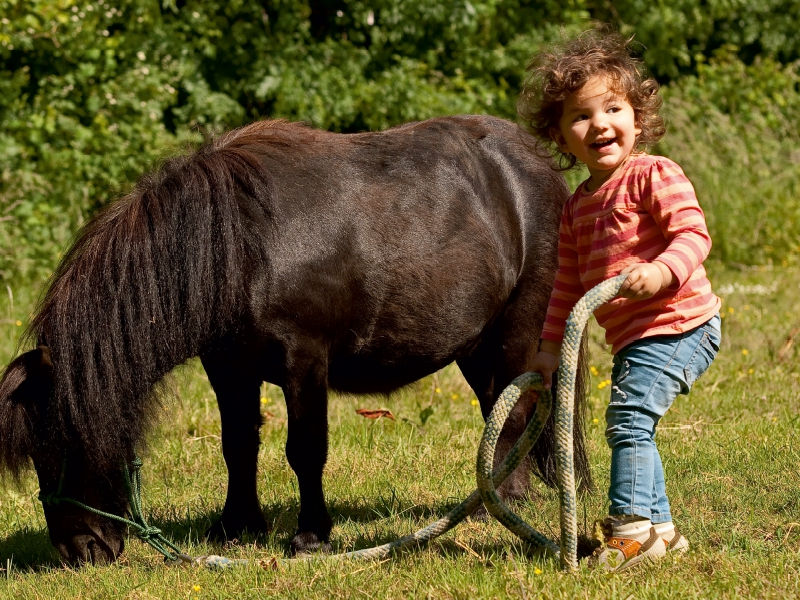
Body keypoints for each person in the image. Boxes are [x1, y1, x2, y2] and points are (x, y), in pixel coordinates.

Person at [518, 28, 722, 571]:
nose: (600, 124)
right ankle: (661, 530)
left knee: (628, 419)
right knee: (634, 421)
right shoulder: (575, 208)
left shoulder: (655, 174)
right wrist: (547, 349)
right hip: (636, 335)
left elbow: (694, 236)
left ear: (637, 117)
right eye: (581, 117)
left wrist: (661, 272)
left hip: (682, 324)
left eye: (613, 107)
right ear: (562, 139)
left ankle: (630, 529)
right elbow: (567, 287)